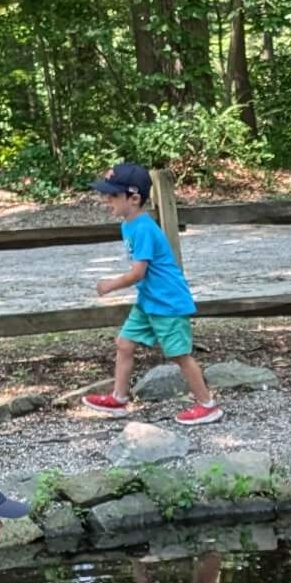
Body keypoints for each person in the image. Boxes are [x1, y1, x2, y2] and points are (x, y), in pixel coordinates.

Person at [80, 162, 219, 425]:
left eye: (112, 195)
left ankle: (207, 405)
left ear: (134, 199)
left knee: (179, 354)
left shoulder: (143, 228)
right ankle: (119, 399)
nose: (105, 200)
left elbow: (138, 273)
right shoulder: (128, 225)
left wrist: (110, 285)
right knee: (124, 343)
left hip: (167, 301)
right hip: (148, 300)